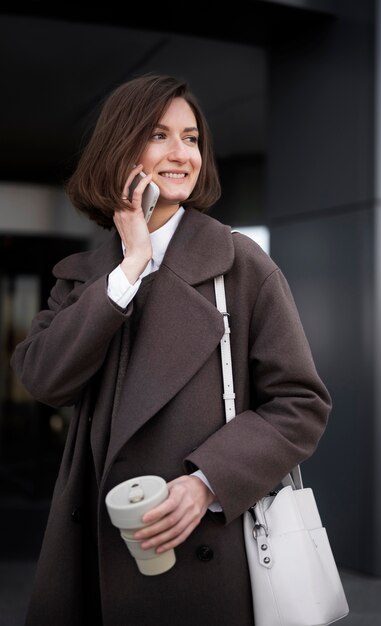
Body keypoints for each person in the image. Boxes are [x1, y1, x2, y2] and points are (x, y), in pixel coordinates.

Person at [11, 73, 332, 626]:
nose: (182, 153)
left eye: (192, 138)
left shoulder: (240, 264)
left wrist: (205, 482)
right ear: (120, 147)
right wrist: (129, 267)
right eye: (159, 135)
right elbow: (44, 379)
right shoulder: (86, 277)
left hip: (203, 547)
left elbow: (300, 403)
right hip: (94, 547)